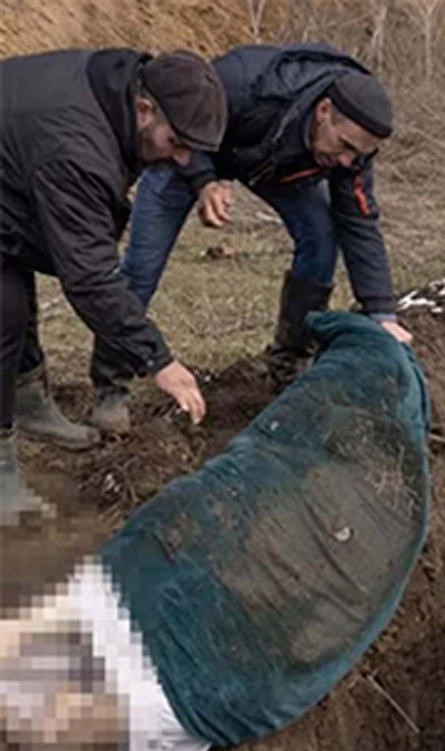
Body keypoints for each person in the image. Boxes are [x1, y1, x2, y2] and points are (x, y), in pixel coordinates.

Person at [96, 43, 411, 435]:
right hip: (187, 154)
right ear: (324, 111)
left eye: (358, 155)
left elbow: (360, 222)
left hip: (276, 167)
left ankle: (289, 362)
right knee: (142, 269)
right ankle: (111, 386)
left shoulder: (351, 153)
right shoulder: (245, 84)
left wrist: (382, 313)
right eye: (345, 146)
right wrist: (204, 181)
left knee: (322, 236)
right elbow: (181, 121)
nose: (348, 161)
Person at [0, 48, 222, 526]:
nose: (184, 158)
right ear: (145, 110)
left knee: (14, 293)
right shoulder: (77, 147)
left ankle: (30, 403)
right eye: (177, 141)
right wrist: (156, 359)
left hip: (10, 170)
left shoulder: (119, 88)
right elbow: (89, 277)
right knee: (3, 313)